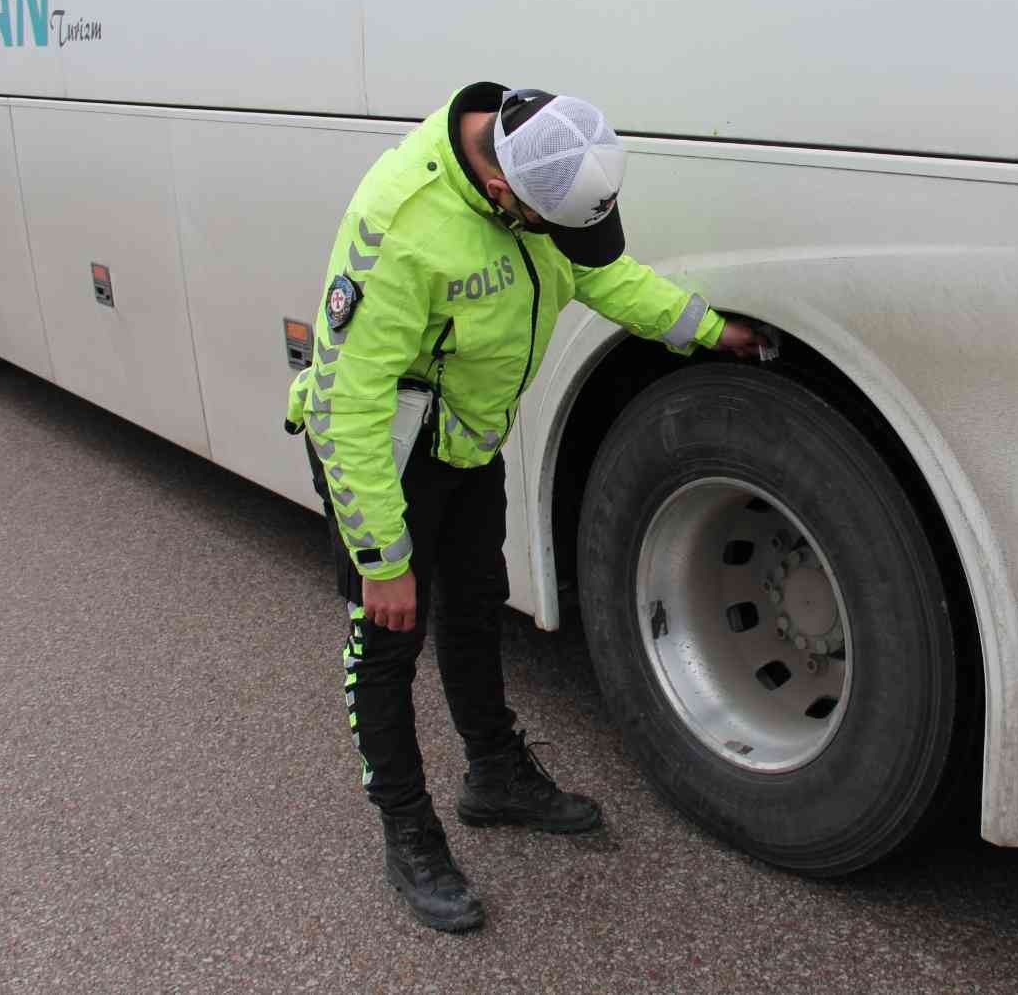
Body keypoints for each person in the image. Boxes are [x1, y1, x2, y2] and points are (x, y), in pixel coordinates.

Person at [283, 82, 768, 933]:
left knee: (474, 614)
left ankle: (494, 776)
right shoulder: (403, 228)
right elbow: (342, 403)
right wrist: (382, 559)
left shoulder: (538, 148)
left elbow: (603, 274)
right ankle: (408, 832)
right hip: (384, 460)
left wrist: (704, 328)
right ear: (504, 193)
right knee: (387, 641)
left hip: (466, 442)